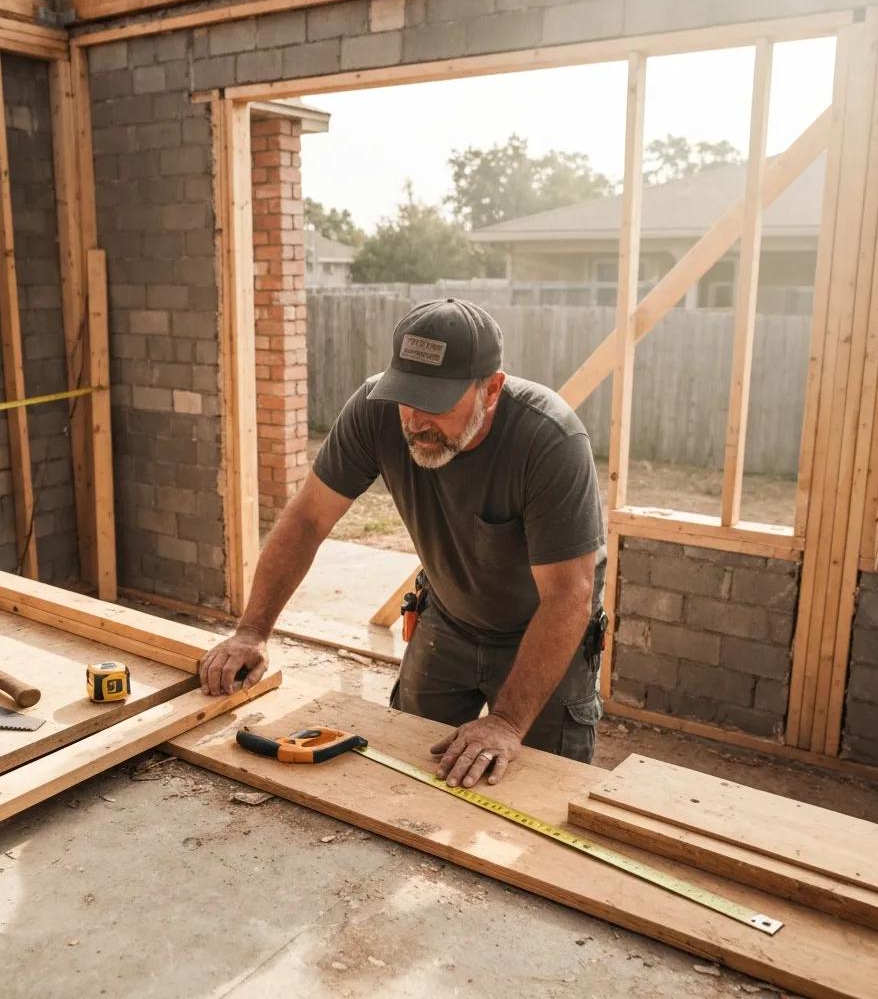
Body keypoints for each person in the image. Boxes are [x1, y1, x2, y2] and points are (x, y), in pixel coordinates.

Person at [200, 297, 607, 790]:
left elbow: (568, 597)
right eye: (407, 397)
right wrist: (252, 630)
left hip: (544, 634)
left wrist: (506, 722)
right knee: (401, 773)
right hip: (449, 623)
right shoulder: (376, 412)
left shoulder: (549, 440)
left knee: (544, 794)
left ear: (492, 390)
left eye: (437, 404)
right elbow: (308, 518)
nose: (415, 420)